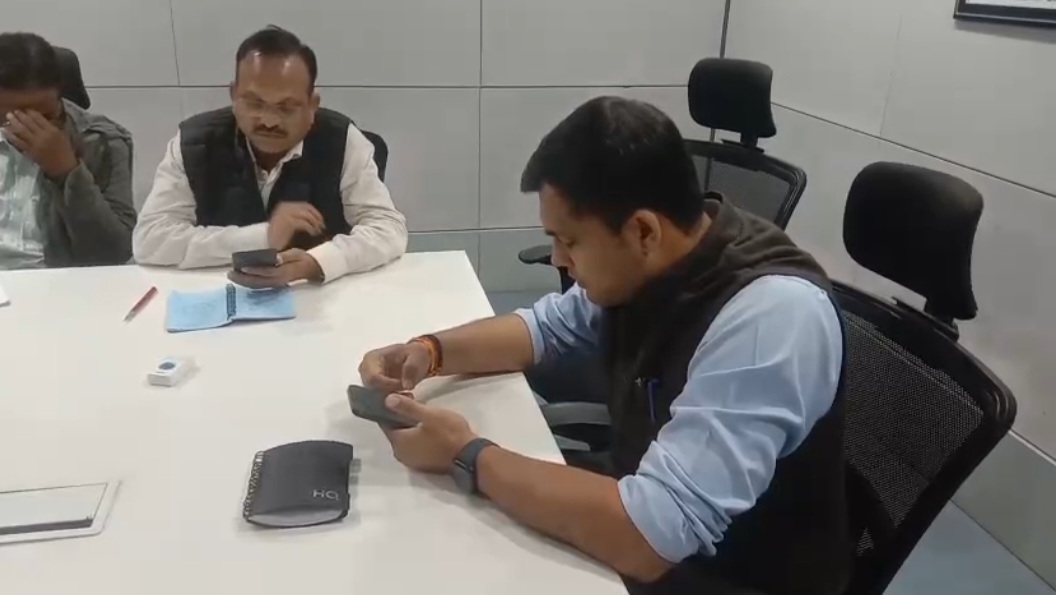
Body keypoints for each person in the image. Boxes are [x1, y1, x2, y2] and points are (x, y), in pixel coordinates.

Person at [358, 97, 853, 595]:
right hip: (648, 512)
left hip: (729, 573)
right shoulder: (656, 258)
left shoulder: (771, 317)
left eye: (570, 241)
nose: (559, 259)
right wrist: (429, 351)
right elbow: (545, 330)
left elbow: (651, 536)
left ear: (642, 231)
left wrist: (465, 455)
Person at [133, 26, 406, 287]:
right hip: (219, 292)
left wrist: (316, 263)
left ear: (312, 105)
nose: (269, 121)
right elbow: (149, 240)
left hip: (317, 295)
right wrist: (264, 236)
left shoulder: (343, 139)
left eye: (287, 107)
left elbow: (388, 228)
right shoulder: (195, 142)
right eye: (254, 103)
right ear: (233, 95)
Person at [0, 32, 135, 269]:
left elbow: (114, 253)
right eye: (17, 116)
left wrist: (67, 171)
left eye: (46, 114)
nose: (33, 125)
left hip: (56, 277)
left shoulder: (103, 141)